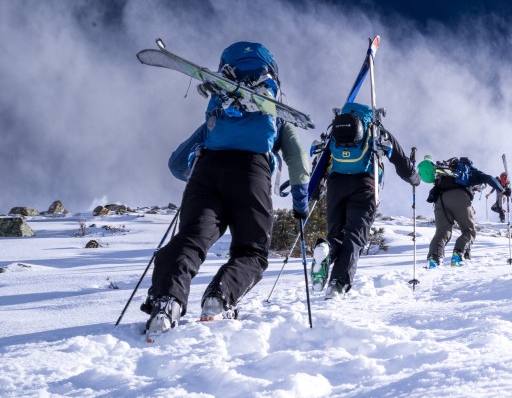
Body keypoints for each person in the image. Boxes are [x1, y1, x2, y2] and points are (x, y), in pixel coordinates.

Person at [143, 41, 311, 336]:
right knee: (252, 250)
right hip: (252, 175)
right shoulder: (275, 116)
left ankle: (166, 302)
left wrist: (196, 180)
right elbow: (297, 159)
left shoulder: (217, 114)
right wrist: (300, 202)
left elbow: (176, 162)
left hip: (207, 171)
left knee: (191, 239)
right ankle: (219, 299)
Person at [313, 102, 420, 298]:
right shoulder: (377, 130)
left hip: (335, 183)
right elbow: (401, 161)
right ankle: (337, 284)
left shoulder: (335, 130)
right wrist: (415, 179)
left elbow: (322, 159)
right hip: (364, 184)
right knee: (354, 235)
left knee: (335, 232)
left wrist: (314, 190)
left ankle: (326, 249)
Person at [424, 157, 508, 266]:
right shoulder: (471, 172)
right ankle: (458, 255)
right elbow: (489, 178)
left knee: (442, 232)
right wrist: (503, 190)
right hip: (460, 197)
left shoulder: (446, 174)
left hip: (440, 201)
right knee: (469, 231)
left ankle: (434, 258)